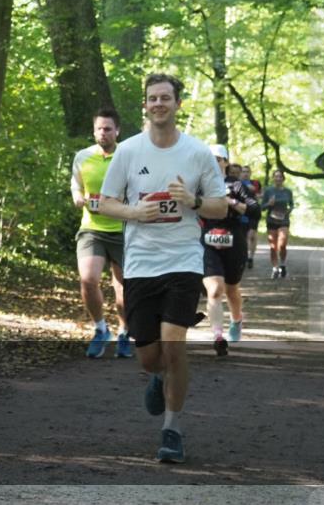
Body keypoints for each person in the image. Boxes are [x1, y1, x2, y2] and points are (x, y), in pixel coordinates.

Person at [99, 73, 227, 464]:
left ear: (177, 104)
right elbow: (105, 202)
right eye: (152, 98)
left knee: (174, 344)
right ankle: (157, 376)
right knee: (151, 358)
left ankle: (172, 429)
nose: (158, 104)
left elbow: (221, 207)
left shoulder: (198, 153)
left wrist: (193, 200)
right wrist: (135, 212)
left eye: (165, 98)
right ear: (145, 105)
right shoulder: (128, 151)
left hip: (183, 260)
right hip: (141, 264)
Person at [70, 108, 131, 358]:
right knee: (88, 279)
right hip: (92, 229)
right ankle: (101, 329)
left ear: (117, 131)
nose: (103, 133)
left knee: (124, 288)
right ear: (94, 131)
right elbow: (76, 184)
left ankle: (124, 332)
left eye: (108, 129)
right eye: (99, 129)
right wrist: (77, 196)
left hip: (123, 229)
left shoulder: (128, 157)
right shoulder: (83, 156)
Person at [201, 150, 258, 357]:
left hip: (234, 239)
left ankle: (236, 321)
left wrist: (231, 202)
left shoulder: (237, 185)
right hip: (208, 240)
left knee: (232, 289)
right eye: (210, 159)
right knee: (215, 289)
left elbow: (255, 210)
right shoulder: (200, 183)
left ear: (225, 162)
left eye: (217, 159)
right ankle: (218, 336)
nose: (213, 162)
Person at [263, 170, 295, 278]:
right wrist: (269, 204)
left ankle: (283, 264)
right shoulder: (268, 191)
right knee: (273, 246)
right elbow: (262, 207)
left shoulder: (288, 191)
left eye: (280, 177)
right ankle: (275, 268)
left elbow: (291, 204)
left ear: (283, 179)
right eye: (276, 176)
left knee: (282, 244)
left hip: (283, 220)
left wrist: (290, 209)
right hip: (271, 220)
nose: (278, 178)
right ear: (273, 178)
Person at [239, 165, 262, 269]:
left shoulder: (255, 183)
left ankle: (250, 258)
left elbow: (261, 194)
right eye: (243, 171)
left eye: (247, 171)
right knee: (244, 236)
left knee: (251, 235)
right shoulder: (237, 183)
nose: (245, 173)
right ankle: (243, 257)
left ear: (250, 173)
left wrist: (256, 194)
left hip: (254, 212)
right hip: (241, 212)